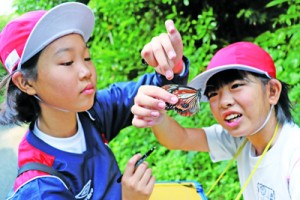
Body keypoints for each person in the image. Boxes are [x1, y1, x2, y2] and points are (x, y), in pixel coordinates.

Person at [0, 2, 189, 199]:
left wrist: (172, 67)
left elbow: (158, 91)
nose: (86, 72)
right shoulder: (39, 186)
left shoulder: (94, 113)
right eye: (67, 62)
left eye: (87, 57)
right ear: (25, 83)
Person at [131, 41, 300, 199]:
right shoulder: (241, 140)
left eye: (236, 86)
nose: (224, 102)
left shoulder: (294, 156)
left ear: (272, 91)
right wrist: (155, 113)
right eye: (213, 94)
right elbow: (180, 139)